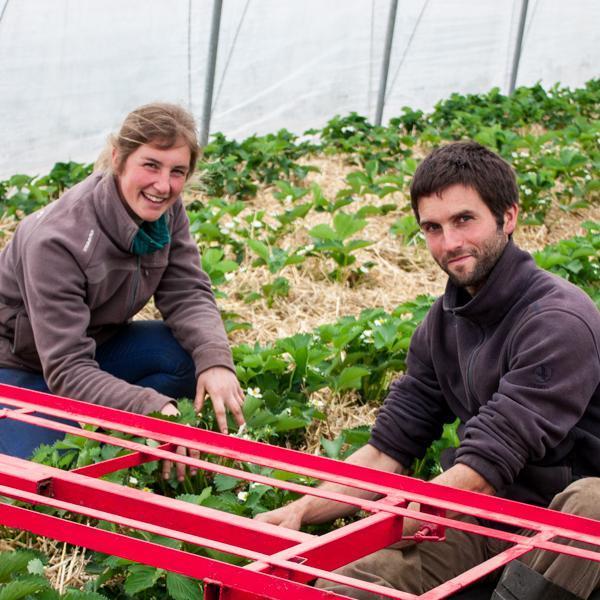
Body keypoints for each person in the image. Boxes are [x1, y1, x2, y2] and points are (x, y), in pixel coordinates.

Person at [256, 141, 600, 599]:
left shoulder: (558, 320)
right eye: (433, 228)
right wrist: (301, 510)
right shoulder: (442, 323)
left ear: (508, 216)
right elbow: (387, 448)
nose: (450, 242)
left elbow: (490, 456)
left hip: (565, 521)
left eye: (464, 220)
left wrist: (405, 513)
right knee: (350, 586)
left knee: (590, 504)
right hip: (490, 513)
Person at [0, 103, 245, 473]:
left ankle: (96, 412)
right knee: (58, 464)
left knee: (189, 361)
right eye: (151, 165)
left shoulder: (166, 211)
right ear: (118, 158)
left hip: (95, 347)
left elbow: (187, 291)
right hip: (19, 364)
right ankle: (52, 416)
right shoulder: (57, 241)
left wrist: (215, 360)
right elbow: (66, 365)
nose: (163, 186)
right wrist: (148, 407)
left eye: (177, 171)